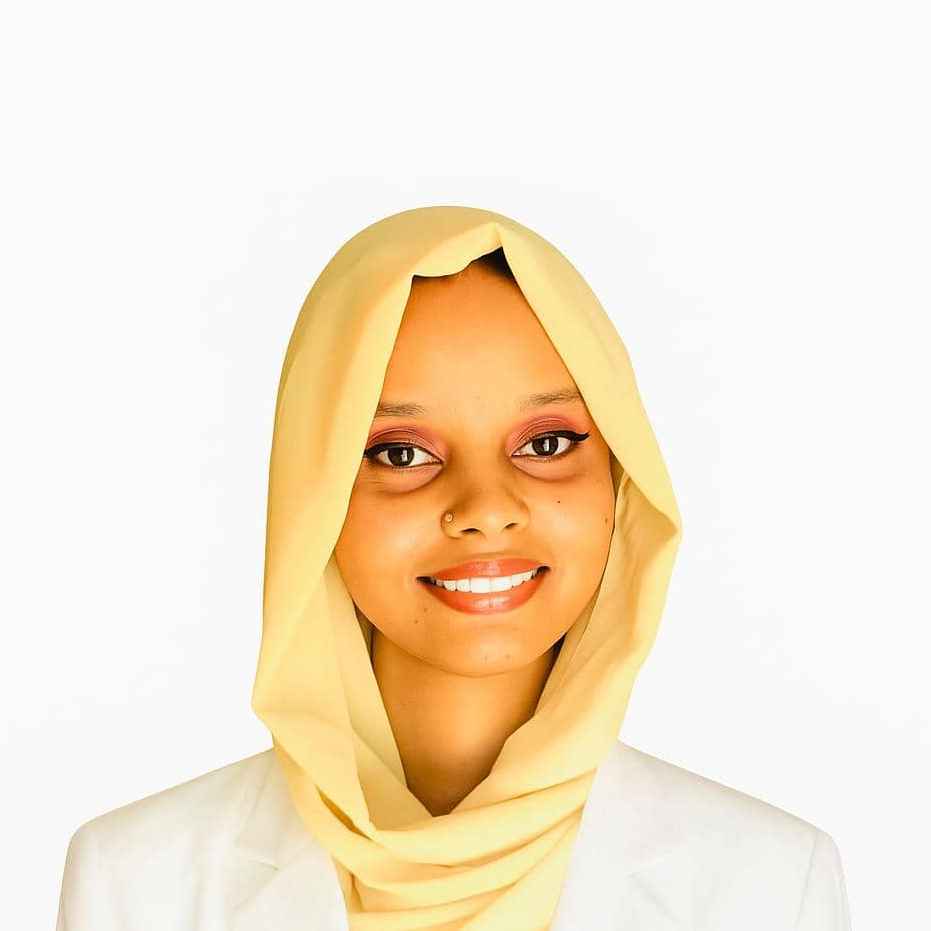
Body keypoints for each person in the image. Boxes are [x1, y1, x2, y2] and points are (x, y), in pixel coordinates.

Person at [55, 206, 852, 930]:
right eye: (401, 453)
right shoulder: (135, 883)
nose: (485, 506)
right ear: (312, 490)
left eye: (546, 443)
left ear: (619, 478)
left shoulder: (770, 887)